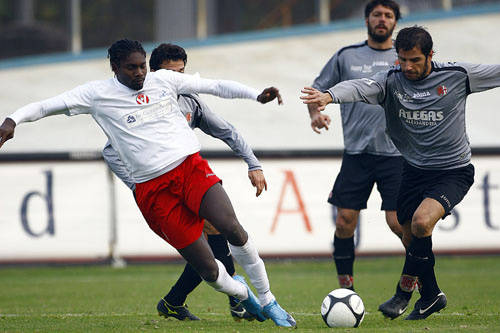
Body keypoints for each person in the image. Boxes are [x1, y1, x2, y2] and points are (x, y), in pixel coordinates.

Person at [0, 39, 296, 327]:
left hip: (189, 168)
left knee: (231, 227)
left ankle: (269, 300)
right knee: (208, 271)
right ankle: (241, 293)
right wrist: (12, 121)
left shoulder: (164, 80)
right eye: (132, 68)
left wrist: (256, 95)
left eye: (143, 66)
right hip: (153, 192)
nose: (140, 73)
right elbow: (44, 106)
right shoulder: (95, 94)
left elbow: (215, 85)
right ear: (115, 67)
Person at [301, 26, 500, 320]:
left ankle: (403, 293)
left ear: (431, 55)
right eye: (402, 59)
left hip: (452, 171)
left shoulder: (458, 75)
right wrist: (329, 96)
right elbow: (358, 87)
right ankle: (431, 295)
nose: (407, 67)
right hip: (412, 170)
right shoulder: (391, 81)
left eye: (415, 60)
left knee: (421, 223)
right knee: (409, 236)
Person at [102, 43, 266, 321]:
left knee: (214, 237)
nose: (179, 78)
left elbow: (227, 132)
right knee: (207, 244)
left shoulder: (191, 101)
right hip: (158, 189)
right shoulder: (137, 103)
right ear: (154, 73)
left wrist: (254, 163)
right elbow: (109, 151)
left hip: (187, 179)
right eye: (171, 72)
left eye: (182, 72)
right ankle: (226, 301)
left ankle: (178, 301)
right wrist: (137, 183)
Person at [307, 0, 405, 291]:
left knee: (399, 224)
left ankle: (422, 278)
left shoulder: (405, 55)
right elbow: (317, 89)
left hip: (396, 155)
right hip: (357, 154)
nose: (382, 20)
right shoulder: (346, 56)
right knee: (344, 221)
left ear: (395, 23)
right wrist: (315, 113)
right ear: (366, 20)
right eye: (377, 14)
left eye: (388, 16)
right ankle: (345, 288)